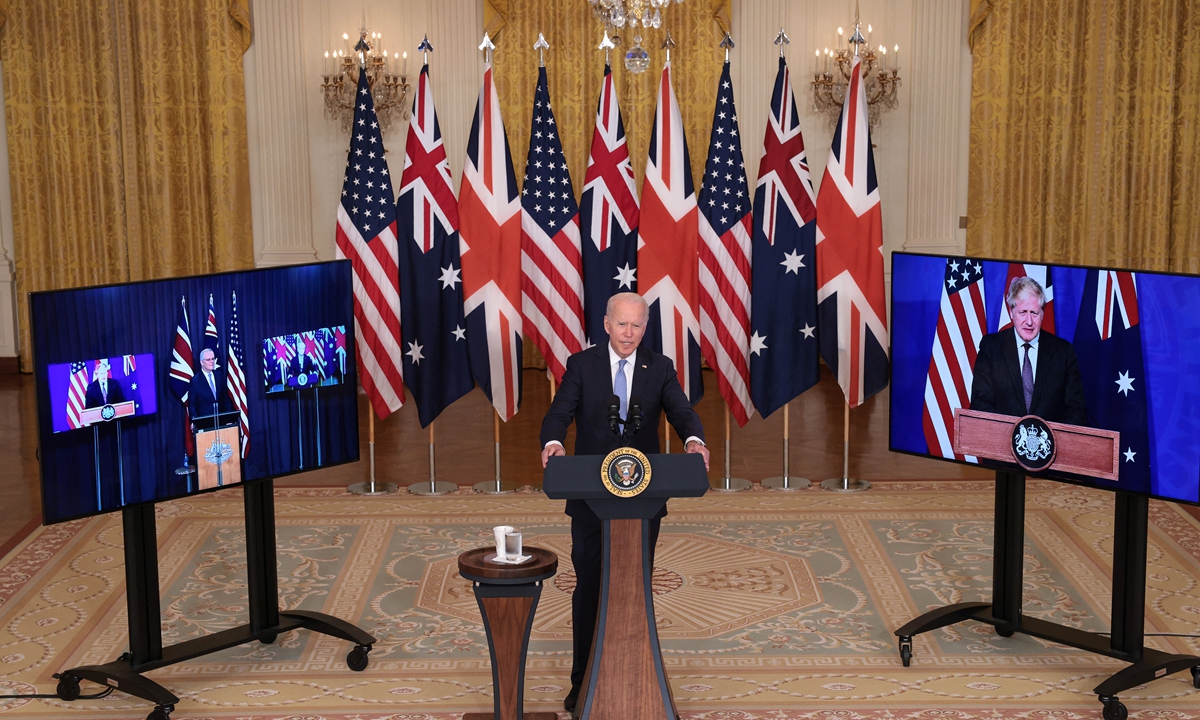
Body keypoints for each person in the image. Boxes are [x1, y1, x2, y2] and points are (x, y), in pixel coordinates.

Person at [539, 292, 710, 713]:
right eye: (622, 324)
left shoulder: (661, 367)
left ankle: (637, 674)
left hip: (643, 501)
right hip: (590, 499)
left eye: (636, 325)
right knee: (591, 587)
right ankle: (584, 683)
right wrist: (554, 442)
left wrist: (694, 439)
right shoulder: (583, 365)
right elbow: (559, 413)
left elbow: (682, 411)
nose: (629, 333)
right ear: (606, 323)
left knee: (634, 588)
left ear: (644, 327)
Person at [970, 276, 1087, 425]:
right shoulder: (991, 348)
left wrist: (1048, 440)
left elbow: (1075, 409)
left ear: (1042, 314)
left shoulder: (1063, 353)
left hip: (1050, 445)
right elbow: (981, 402)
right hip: (1001, 443)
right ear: (1012, 312)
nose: (1029, 321)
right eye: (1023, 312)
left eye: (1034, 313)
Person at [191, 347, 227, 422]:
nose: (212, 361)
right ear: (201, 362)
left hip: (221, 420)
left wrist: (230, 417)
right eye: (208, 359)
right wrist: (194, 421)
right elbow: (192, 405)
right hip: (205, 422)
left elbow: (225, 398)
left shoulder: (219, 375)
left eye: (213, 359)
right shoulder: (195, 381)